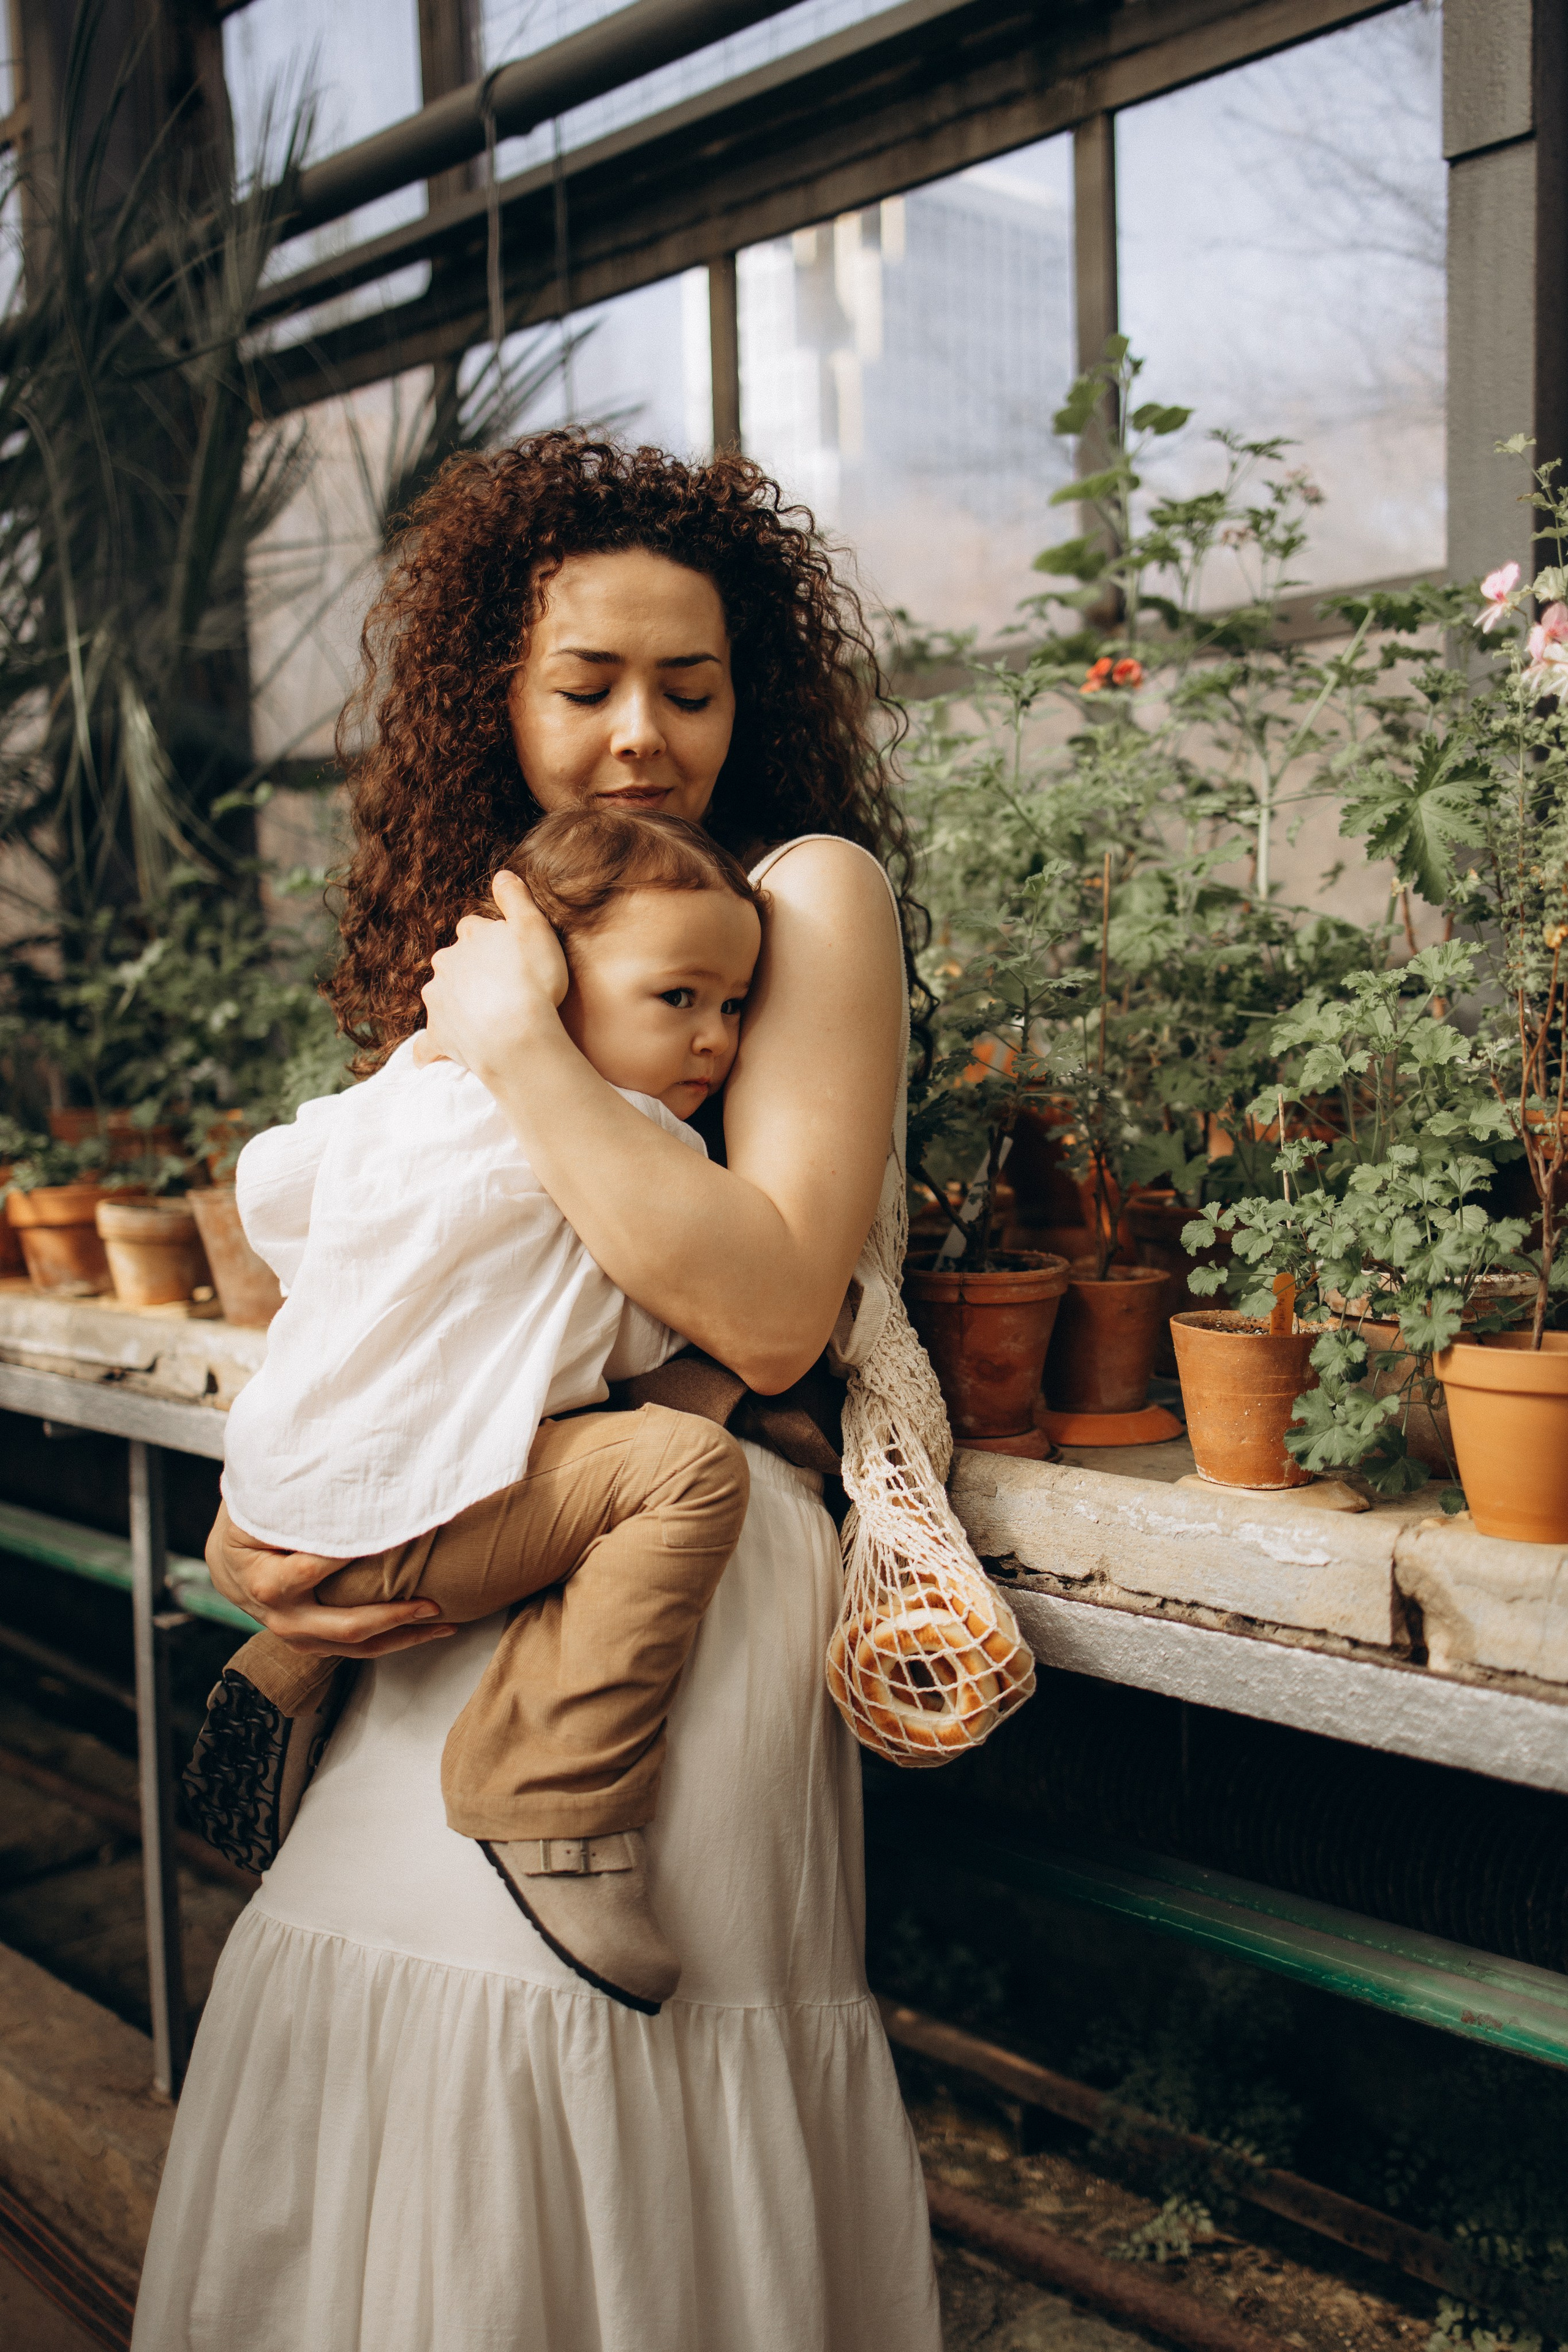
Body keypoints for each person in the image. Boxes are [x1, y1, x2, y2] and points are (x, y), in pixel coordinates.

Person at [132, 432, 944, 2351]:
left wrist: (516, 1044)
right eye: (586, 687)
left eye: (694, 683)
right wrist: (311, 1509)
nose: (645, 734)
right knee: (379, 2005)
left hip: (687, 1571)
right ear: (497, 697)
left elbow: (764, 1312)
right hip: (500, 1534)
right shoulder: (532, 921)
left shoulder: (803, 897)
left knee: (598, 2054)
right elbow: (426, 1270)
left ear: (758, 695)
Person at [186, 810, 763, 2012]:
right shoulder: (626, 1139)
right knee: (684, 1464)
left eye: (733, 1005)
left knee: (482, 1426)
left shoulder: (398, 1097)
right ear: (545, 991)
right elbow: (664, 1332)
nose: (715, 1038)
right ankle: (549, 1800)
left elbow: (270, 1190)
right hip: (401, 1537)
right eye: (677, 998)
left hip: (272, 1508)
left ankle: (289, 1666)